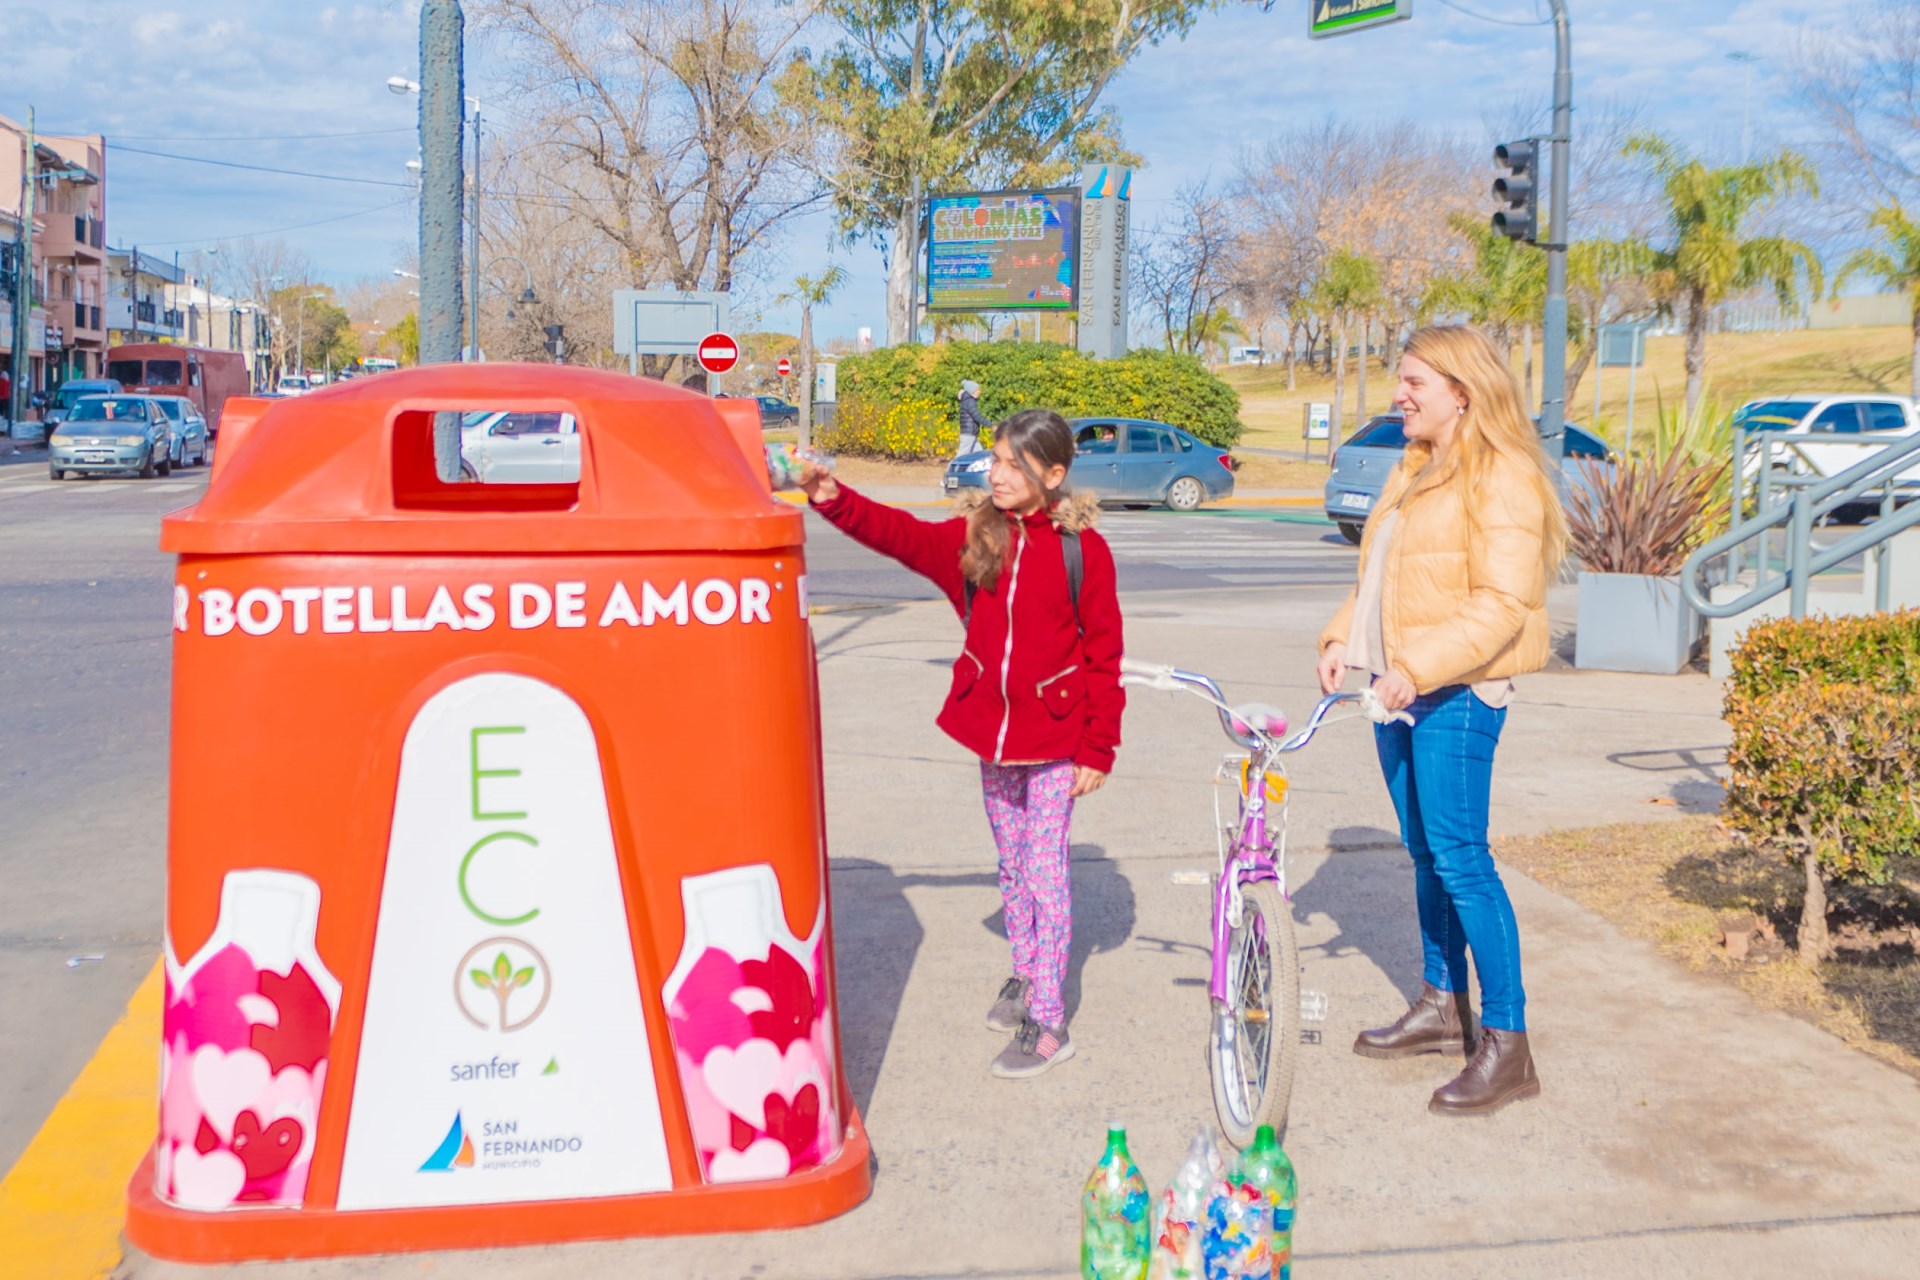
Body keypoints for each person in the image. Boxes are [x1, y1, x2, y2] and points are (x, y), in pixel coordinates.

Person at [800, 408, 1124, 1079]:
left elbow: (1105, 655)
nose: (998, 473)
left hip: (1058, 739)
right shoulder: (979, 535)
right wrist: (832, 498)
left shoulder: (1081, 551)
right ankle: (1025, 971)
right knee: (1010, 865)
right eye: (997, 460)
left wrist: (1099, 748)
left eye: (1015, 464)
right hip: (992, 734)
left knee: (1045, 874)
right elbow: (900, 535)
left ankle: (1049, 1019)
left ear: (1054, 475)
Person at [1315, 324, 1566, 1118]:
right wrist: (1338, 636)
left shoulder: (1505, 473)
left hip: (1456, 693)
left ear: (1463, 390)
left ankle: (1508, 1042)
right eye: (1401, 380)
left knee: (1462, 859)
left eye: (1414, 382)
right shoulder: (1415, 466)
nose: (1400, 395)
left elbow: (1503, 605)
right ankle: (1441, 1002)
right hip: (1398, 692)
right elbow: (1385, 576)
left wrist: (1416, 669)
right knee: (1425, 854)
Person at [955, 380, 986, 457]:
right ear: (972, 391)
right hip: (968, 434)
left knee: (980, 455)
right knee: (961, 457)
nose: (980, 391)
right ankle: (951, 469)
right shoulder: (969, 401)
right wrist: (990, 425)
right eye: (978, 389)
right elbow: (976, 416)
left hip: (971, 434)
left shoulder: (969, 400)